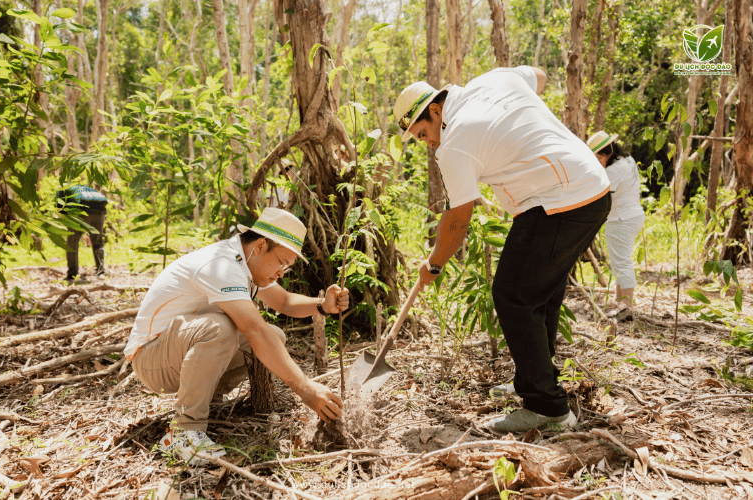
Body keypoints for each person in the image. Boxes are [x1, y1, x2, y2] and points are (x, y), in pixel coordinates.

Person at [393, 66, 611, 434]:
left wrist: (432, 265)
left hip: (558, 200)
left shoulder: (456, 141)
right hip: (591, 189)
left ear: (435, 110)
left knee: (512, 294)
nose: (427, 142)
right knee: (538, 294)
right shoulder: (494, 79)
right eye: (418, 139)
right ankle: (535, 379)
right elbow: (540, 76)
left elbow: (458, 219)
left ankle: (548, 408)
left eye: (424, 132)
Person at [124, 207, 347, 465]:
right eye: (282, 263)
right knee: (224, 328)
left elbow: (284, 302)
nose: (282, 272)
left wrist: (322, 305)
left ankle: (208, 402)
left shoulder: (246, 262)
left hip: (174, 353)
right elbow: (254, 329)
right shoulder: (222, 265)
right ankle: (184, 432)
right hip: (150, 360)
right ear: (261, 245)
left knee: (274, 335)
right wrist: (305, 388)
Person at [587, 131, 645, 321]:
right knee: (619, 260)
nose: (598, 162)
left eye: (598, 158)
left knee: (622, 261)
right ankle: (620, 300)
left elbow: (601, 195)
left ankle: (627, 305)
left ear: (605, 153)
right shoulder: (627, 161)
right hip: (629, 215)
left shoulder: (614, 170)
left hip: (622, 218)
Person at [56, 185, 108, 281]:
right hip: (99, 212)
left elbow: (62, 215)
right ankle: (101, 272)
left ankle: (72, 274)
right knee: (98, 242)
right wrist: (85, 235)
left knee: (72, 242)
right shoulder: (87, 191)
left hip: (81, 212)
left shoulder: (61, 193)